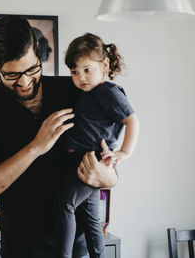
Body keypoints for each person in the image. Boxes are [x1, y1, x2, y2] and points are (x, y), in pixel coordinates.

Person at [0, 16, 118, 258]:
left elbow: (108, 158)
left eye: (31, 69)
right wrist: (35, 148)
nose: (24, 82)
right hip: (22, 251)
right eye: (11, 75)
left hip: (79, 251)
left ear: (38, 55)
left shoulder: (74, 92)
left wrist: (108, 177)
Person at [54, 33, 139, 258]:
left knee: (65, 204)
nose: (80, 77)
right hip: (82, 159)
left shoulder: (109, 92)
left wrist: (123, 153)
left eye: (86, 70)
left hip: (92, 160)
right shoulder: (90, 92)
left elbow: (132, 120)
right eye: (74, 72)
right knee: (90, 214)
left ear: (104, 65)